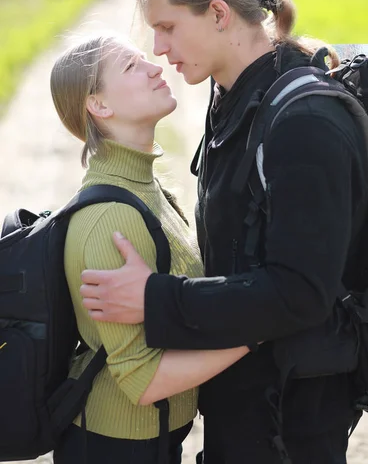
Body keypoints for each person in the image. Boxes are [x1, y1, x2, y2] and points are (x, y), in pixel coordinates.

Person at [80, 0, 368, 463]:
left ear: (217, 13)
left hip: (292, 420)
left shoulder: (303, 121)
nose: (160, 49)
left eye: (167, 27)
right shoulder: (233, 96)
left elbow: (302, 291)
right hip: (246, 403)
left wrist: (156, 299)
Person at [49, 33, 249, 464]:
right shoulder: (110, 219)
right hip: (115, 447)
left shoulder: (147, 186)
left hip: (151, 441)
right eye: (130, 67)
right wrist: (261, 331)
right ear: (99, 106)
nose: (156, 67)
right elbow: (140, 379)